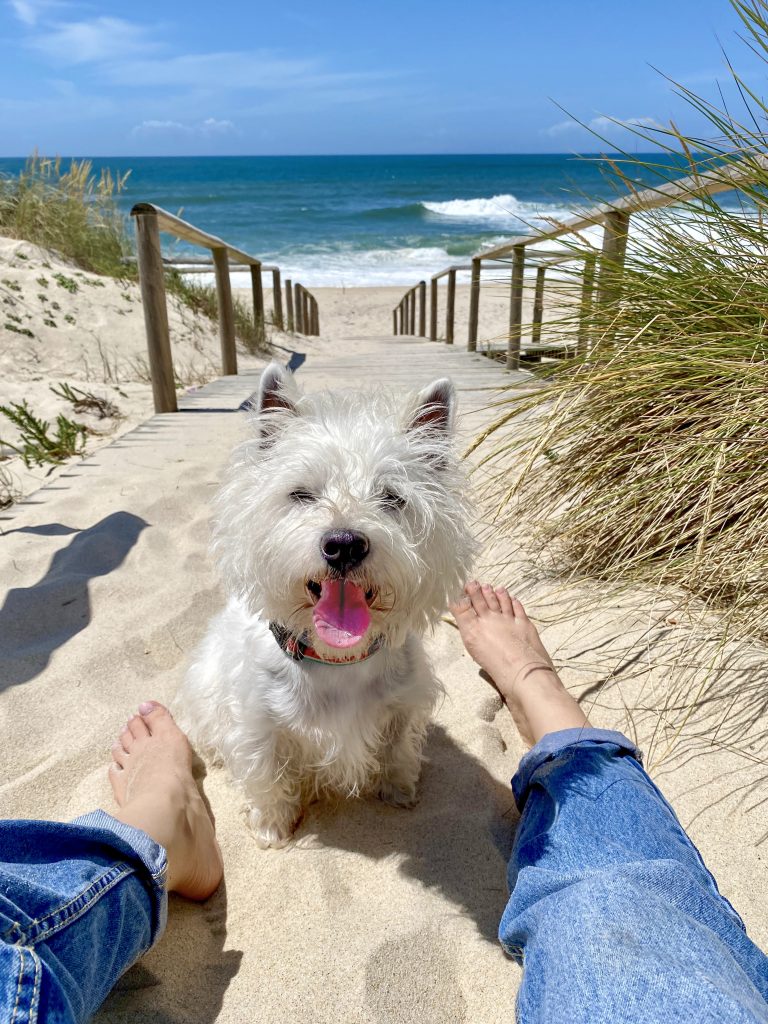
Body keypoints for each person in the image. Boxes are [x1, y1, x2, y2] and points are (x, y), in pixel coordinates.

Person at [1, 584, 767, 1022]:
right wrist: (272, 796)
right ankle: (550, 711)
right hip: (273, 669)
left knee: (605, 920)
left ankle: (150, 835)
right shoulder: (252, 639)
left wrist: (399, 768)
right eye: (306, 497)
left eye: (391, 501)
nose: (345, 534)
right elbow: (251, 724)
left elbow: (408, 713)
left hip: (382, 664)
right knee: (613, 911)